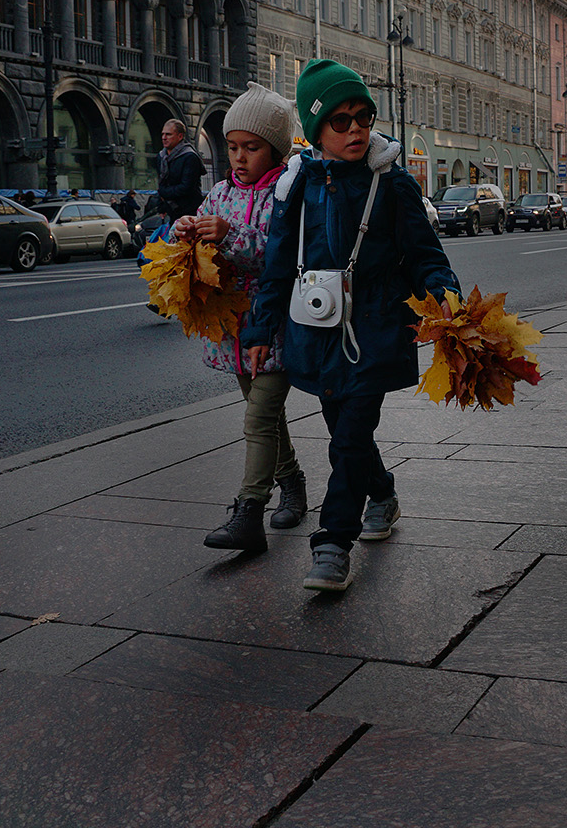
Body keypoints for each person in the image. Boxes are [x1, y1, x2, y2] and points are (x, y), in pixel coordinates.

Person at [241, 59, 459, 592]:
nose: (357, 128)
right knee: (347, 434)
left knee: (350, 436)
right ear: (317, 130)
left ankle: (333, 543)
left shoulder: (393, 183)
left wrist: (446, 297)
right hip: (314, 333)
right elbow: (275, 266)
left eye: (364, 116)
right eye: (341, 121)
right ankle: (381, 493)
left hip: (375, 331)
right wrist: (259, 329)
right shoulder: (296, 187)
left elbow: (425, 255)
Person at [172, 83, 309, 552]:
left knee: (259, 417)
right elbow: (194, 241)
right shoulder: (219, 195)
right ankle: (293, 485)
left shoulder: (285, 196)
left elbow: (280, 255)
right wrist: (185, 230)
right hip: (232, 328)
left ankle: (250, 511)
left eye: (251, 148)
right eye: (232, 147)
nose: (239, 157)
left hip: (275, 325)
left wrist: (232, 236)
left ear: (275, 149)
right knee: (265, 416)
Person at [156, 119, 205, 220]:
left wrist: (163, 192)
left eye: (168, 134)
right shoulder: (161, 156)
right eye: (163, 134)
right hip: (171, 211)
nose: (164, 138)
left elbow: (186, 187)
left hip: (189, 211)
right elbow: (161, 182)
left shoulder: (189, 156)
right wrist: (161, 207)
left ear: (180, 136)